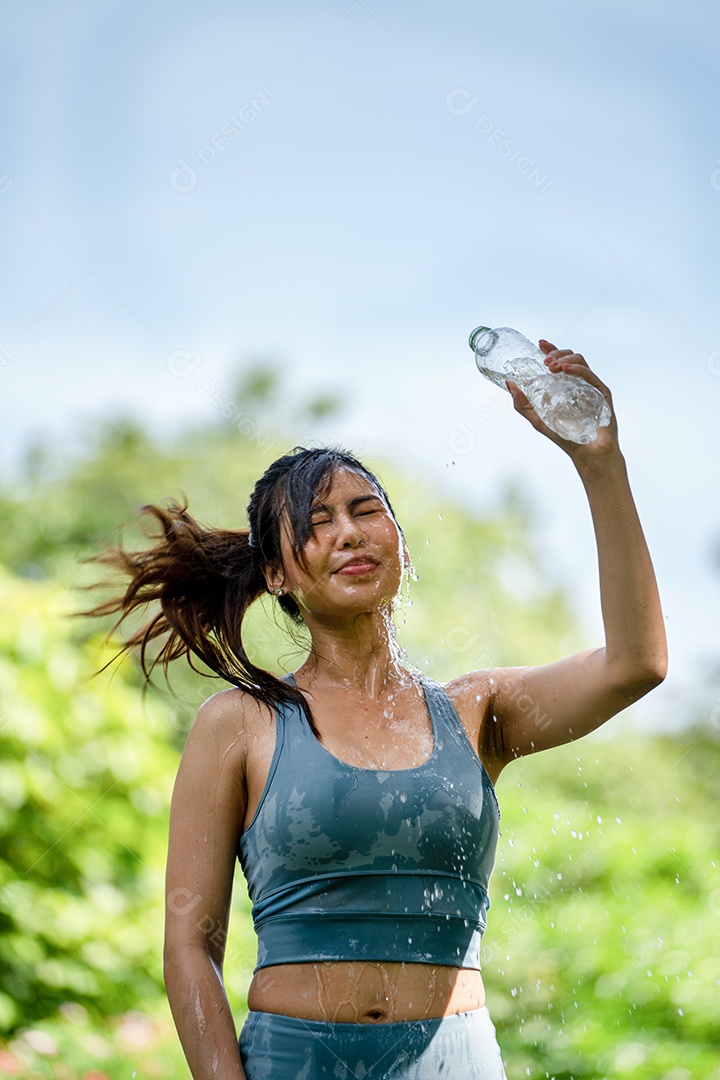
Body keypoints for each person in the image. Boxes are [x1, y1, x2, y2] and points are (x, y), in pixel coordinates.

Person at [86, 341, 666, 1079]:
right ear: (277, 573)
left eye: (366, 511)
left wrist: (599, 461)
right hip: (293, 1061)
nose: (350, 532)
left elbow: (636, 664)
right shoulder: (241, 722)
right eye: (317, 521)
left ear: (402, 546)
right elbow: (189, 946)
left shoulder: (478, 709)